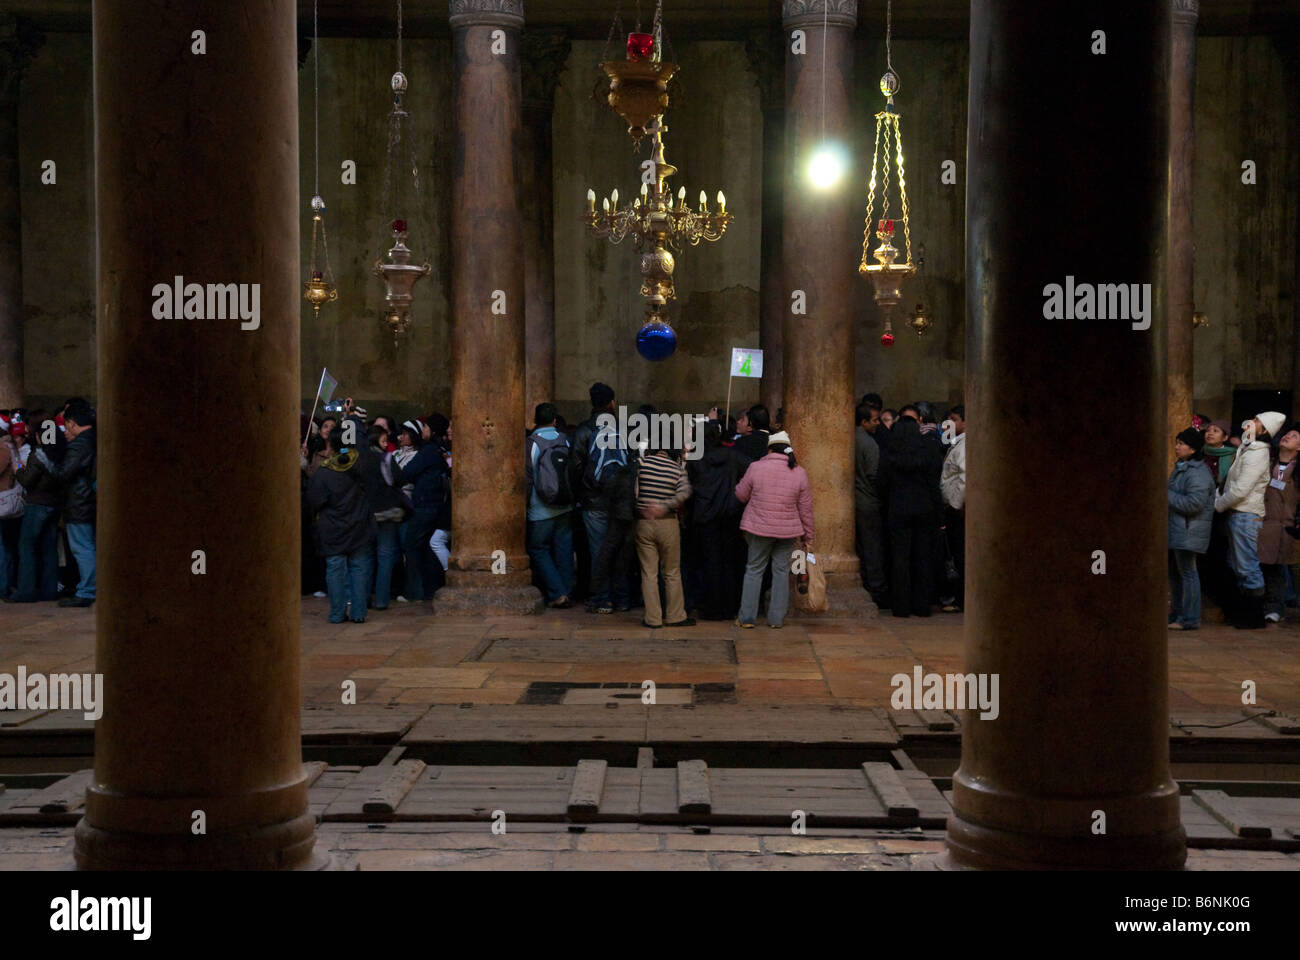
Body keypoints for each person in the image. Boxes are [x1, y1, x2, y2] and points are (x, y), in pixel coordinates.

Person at [734, 431, 813, 629]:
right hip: (787, 531)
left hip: (758, 528)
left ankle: (747, 618)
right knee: (781, 572)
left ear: (769, 448)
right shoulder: (799, 472)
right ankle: (776, 619)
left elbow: (741, 495)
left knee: (754, 570)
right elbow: (806, 509)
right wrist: (808, 535)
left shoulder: (756, 467)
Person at [1214, 411, 1282, 629]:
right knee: (1237, 564)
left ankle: (1253, 617)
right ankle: (1243, 613)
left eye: (1257, 422)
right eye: (1254, 419)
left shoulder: (1258, 453)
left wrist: (1219, 504)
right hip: (1238, 513)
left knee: (1247, 566)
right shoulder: (1248, 449)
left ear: (1264, 431)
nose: (1251, 423)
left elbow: (1241, 489)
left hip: (1245, 514)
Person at [569, 382, 630, 613]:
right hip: (621, 502)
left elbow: (575, 467)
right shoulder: (623, 428)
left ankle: (602, 599)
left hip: (593, 501)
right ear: (612, 403)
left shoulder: (584, 430)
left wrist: (579, 496)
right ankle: (623, 598)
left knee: (598, 552)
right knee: (621, 551)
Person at [307, 427, 376, 624]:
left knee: (335, 569)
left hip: (333, 529)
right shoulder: (364, 466)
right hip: (360, 527)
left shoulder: (325, 472)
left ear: (333, 444)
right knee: (359, 569)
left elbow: (314, 501)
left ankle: (337, 613)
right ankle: (359, 613)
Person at [878, 413, 944, 617]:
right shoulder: (929, 450)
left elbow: (881, 484)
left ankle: (901, 606)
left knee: (900, 559)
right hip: (925, 508)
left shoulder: (890, 452)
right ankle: (922, 605)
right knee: (923, 557)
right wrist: (939, 513)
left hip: (898, 509)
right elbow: (935, 485)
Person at [37, 401, 96, 608]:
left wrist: (45, 458)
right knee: (86, 547)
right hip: (86, 501)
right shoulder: (93, 438)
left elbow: (63, 473)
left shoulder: (82, 443)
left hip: (79, 503)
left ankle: (87, 591)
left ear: (71, 423)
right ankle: (87, 587)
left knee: (82, 548)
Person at [687, 420, 745, 620]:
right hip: (729, 515)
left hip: (705, 516)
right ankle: (729, 606)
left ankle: (711, 607)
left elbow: (691, 486)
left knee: (709, 561)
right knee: (728, 561)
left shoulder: (695, 459)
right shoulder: (733, 456)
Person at [634, 439, 694, 628]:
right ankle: (675, 616)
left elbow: (632, 489)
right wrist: (664, 506)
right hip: (668, 523)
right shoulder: (677, 469)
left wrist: (641, 506)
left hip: (643, 523)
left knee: (648, 573)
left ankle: (652, 619)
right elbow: (685, 492)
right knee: (672, 572)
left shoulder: (642, 464)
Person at [6, 413, 63, 603]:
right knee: (49, 549)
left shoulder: (38, 455)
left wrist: (19, 470)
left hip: (36, 505)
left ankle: (26, 591)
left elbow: (28, 481)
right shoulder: (57, 453)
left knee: (26, 547)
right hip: (53, 505)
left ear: (40, 433)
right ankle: (49, 591)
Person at [526, 403, 575, 608]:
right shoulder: (565, 440)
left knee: (538, 549)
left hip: (541, 508)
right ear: (555, 420)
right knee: (564, 549)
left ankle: (557, 593)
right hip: (565, 505)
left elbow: (528, 477)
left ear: (535, 420)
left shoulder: (532, 443)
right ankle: (566, 591)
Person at [1167, 427, 1215, 630]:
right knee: (1177, 574)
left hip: (1188, 530)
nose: (1176, 447)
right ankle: (1178, 614)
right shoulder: (1182, 467)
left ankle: (1190, 618)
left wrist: (1165, 494)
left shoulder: (1198, 473)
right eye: (1176, 442)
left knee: (1188, 573)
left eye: (1181, 443)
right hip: (1179, 529)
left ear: (1193, 449)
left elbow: (1194, 504)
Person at [401, 415, 450, 602]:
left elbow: (408, 472)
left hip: (424, 504)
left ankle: (414, 591)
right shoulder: (439, 450)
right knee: (427, 548)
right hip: (435, 504)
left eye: (426, 428)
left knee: (412, 546)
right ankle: (431, 588)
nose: (423, 432)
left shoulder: (428, 451)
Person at [1259, 427, 1300, 623]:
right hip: (1267, 523)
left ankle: (1281, 606)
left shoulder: (1298, 469)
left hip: (1290, 526)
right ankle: (1271, 607)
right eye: (1287, 434)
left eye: (1294, 436)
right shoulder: (1268, 463)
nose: (1287, 437)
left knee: (1289, 567)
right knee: (1269, 567)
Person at [854, 401, 888, 607]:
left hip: (855, 502)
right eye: (875, 420)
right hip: (868, 502)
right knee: (872, 548)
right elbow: (874, 475)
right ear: (864, 421)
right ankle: (876, 590)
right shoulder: (869, 444)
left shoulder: (849, 439)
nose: (878, 424)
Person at [939, 403, 967, 612]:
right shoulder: (956, 443)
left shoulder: (965, 445)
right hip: (952, 508)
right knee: (957, 555)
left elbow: (965, 478)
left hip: (959, 510)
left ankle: (963, 599)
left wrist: (956, 504)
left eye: (955, 419)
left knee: (961, 555)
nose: (950, 423)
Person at [1202, 421, 1236, 488]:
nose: (1210, 433)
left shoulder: (1233, 455)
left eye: (1215, 431)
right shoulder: (1200, 451)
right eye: (1208, 430)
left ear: (1225, 438)